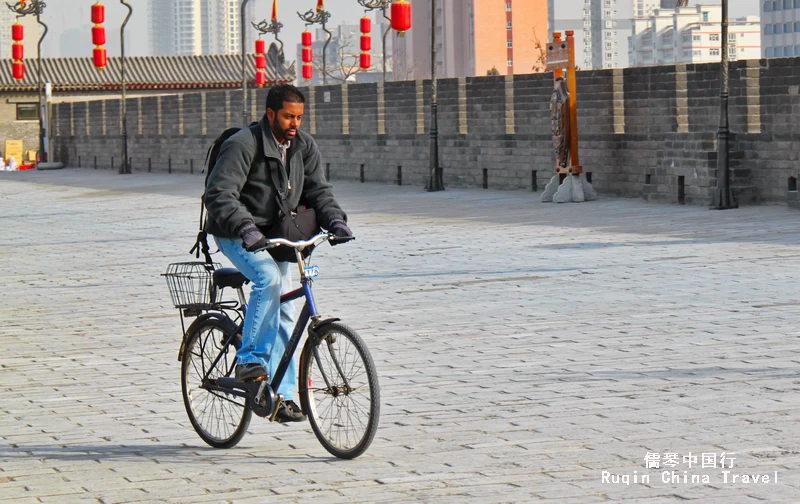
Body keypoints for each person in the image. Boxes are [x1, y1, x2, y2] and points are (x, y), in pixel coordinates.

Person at [204, 84, 352, 423]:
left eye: (299, 117)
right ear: (270, 113)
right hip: (235, 232)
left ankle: (280, 396)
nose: (294, 123)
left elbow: (319, 190)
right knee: (267, 277)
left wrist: (336, 220)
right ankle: (250, 360)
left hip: (279, 235)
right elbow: (220, 194)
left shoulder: (303, 145)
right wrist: (245, 227)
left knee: (287, 311)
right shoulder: (243, 144)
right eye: (288, 116)